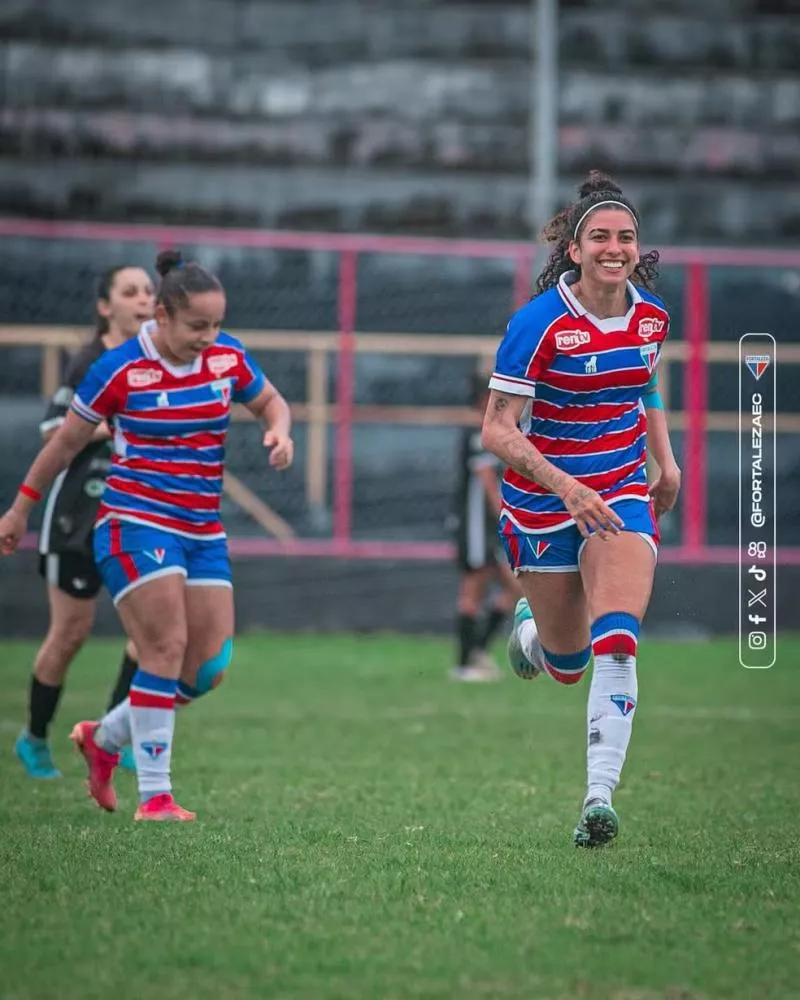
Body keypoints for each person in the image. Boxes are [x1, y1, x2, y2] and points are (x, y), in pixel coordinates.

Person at [0, 249, 294, 821]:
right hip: (133, 521)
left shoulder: (227, 356)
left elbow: (270, 401)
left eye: (216, 324)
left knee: (208, 667)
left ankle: (104, 737)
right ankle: (156, 797)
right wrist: (18, 511)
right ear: (162, 316)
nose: (208, 337)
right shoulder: (117, 369)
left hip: (201, 529)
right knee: (164, 648)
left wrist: (280, 433)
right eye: (197, 325)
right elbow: (63, 443)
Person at [481, 171, 681, 847]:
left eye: (625, 237)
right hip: (542, 502)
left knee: (617, 639)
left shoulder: (652, 317)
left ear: (637, 247)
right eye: (600, 237)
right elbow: (497, 429)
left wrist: (666, 462)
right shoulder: (537, 323)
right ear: (574, 248)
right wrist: (566, 487)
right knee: (567, 664)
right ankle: (533, 634)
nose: (614, 248)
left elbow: (643, 385)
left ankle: (599, 798)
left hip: (620, 491)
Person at [15, 265, 155, 779]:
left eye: (149, 291)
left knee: (150, 635)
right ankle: (34, 738)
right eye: (130, 292)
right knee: (71, 633)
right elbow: (52, 428)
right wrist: (108, 422)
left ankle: (114, 737)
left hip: (135, 514)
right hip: (77, 517)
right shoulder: (91, 363)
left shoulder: (157, 362)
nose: (143, 300)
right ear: (105, 307)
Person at [451, 372, 520, 682]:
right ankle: (466, 662)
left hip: (488, 527)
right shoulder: (479, 435)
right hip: (476, 527)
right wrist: (508, 517)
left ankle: (476, 651)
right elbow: (488, 484)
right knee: (473, 591)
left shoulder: (492, 433)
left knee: (514, 588)